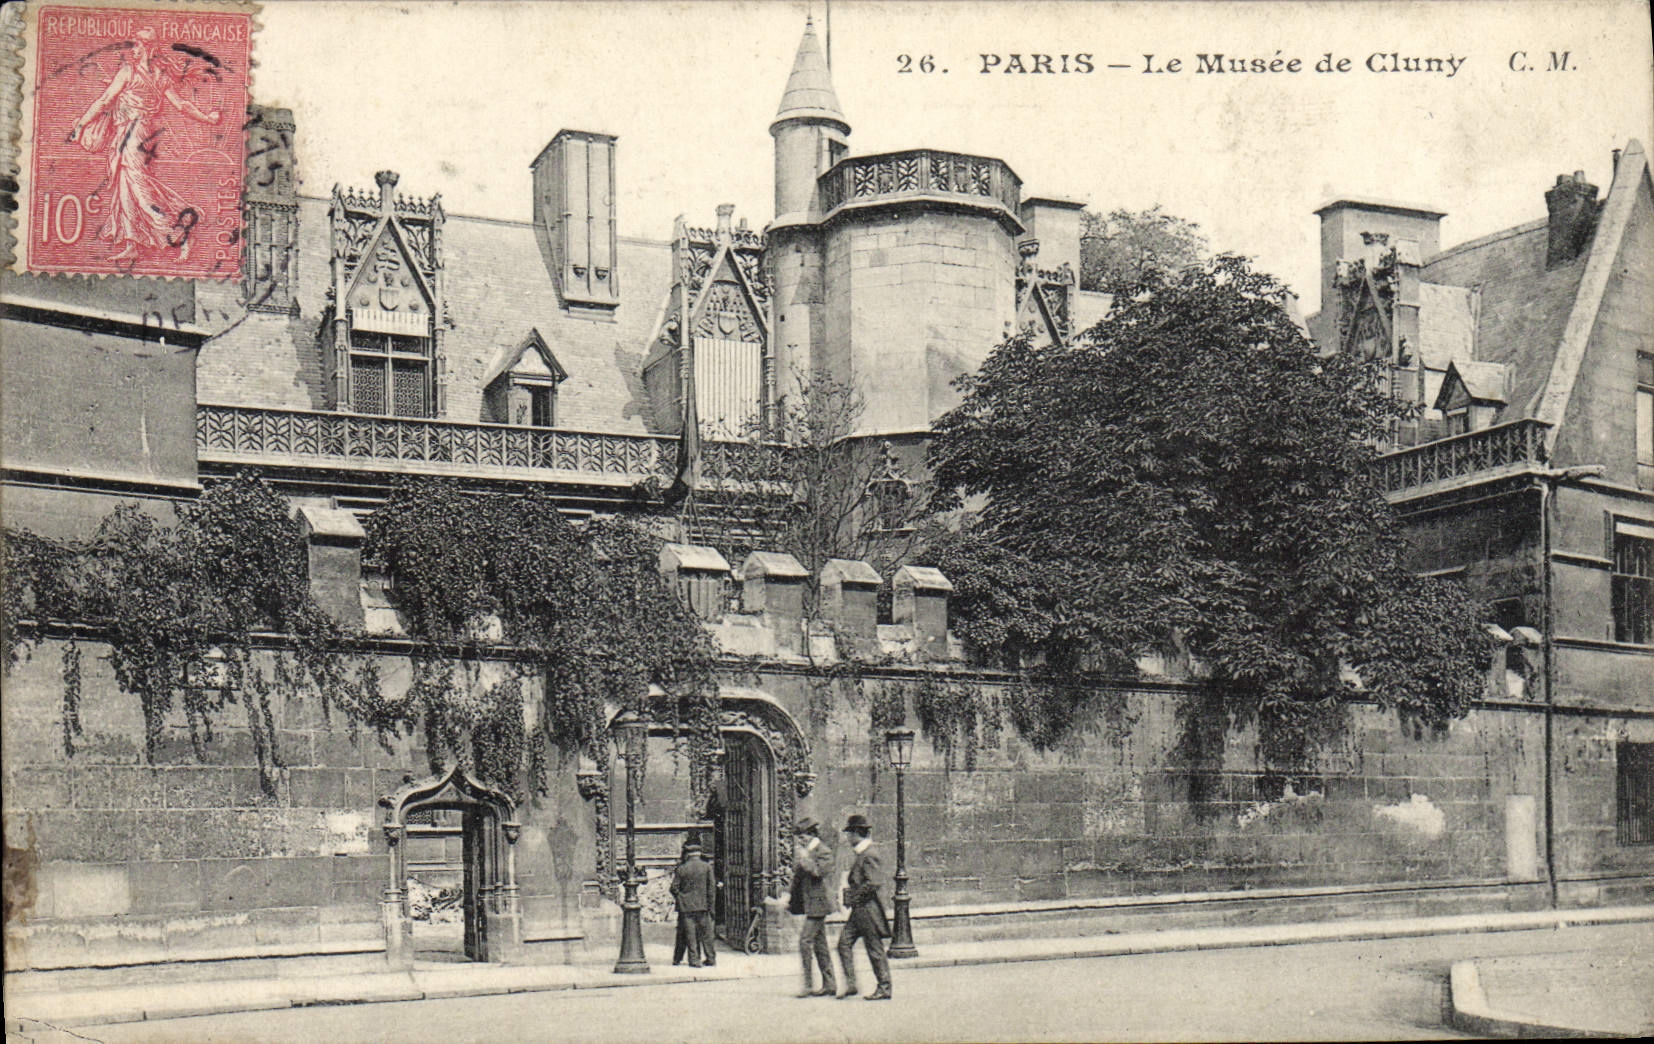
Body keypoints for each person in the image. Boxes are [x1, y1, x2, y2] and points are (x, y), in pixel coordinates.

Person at [68, 26, 222, 263]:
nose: (134, 49)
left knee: (140, 188)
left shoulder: (130, 72)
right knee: (125, 188)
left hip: (135, 134)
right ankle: (133, 243)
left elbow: (105, 100)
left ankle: (181, 232)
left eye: (137, 45)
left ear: (146, 48)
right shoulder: (158, 76)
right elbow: (181, 104)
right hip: (132, 133)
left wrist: (80, 125)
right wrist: (207, 117)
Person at [835, 813, 892, 1000]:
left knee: (874, 949)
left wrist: (853, 897)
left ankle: (884, 987)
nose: (847, 837)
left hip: (867, 910)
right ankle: (851, 984)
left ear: (856, 834)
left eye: (849, 833)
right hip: (860, 910)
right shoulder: (863, 854)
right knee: (843, 944)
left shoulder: (869, 854)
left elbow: (873, 883)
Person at [788, 816, 837, 998]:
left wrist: (805, 860)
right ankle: (830, 984)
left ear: (811, 835)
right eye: (799, 838)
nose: (800, 841)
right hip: (811, 904)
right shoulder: (808, 852)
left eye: (802, 837)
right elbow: (798, 880)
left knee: (805, 941)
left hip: (820, 904)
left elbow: (819, 872)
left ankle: (808, 985)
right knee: (820, 944)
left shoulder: (823, 851)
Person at [670, 841, 716, 968]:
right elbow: (711, 889)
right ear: (699, 853)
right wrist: (711, 908)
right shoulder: (707, 867)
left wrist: (681, 897)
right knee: (706, 934)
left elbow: (673, 888)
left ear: (688, 854)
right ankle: (711, 958)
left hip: (687, 907)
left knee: (691, 935)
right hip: (703, 906)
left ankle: (694, 960)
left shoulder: (682, 868)